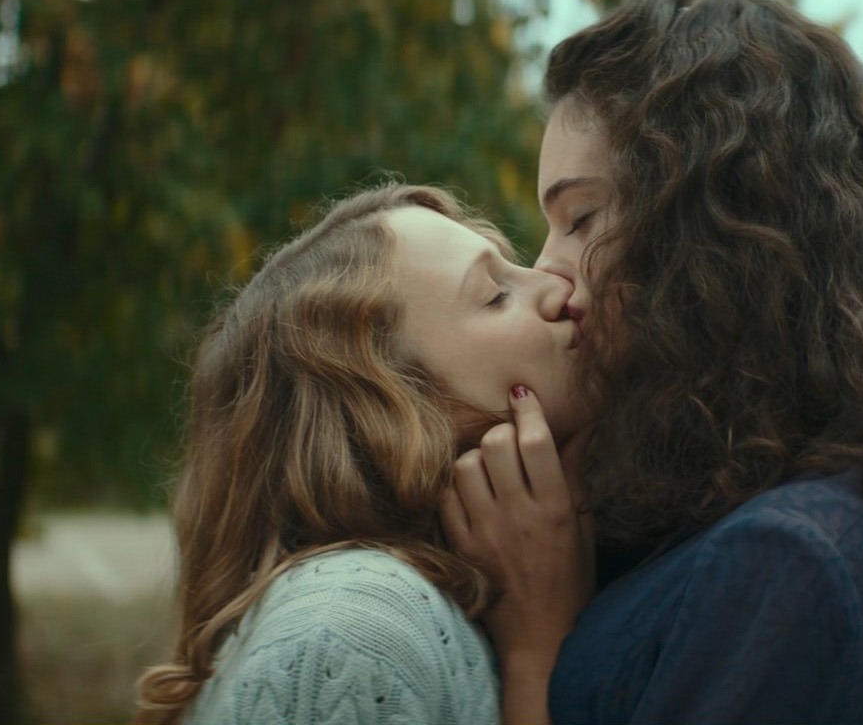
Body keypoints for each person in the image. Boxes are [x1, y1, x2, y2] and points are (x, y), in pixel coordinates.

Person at [445, 0, 863, 724]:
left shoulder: (789, 560)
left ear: (712, 229)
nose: (546, 272)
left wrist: (536, 646)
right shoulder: (750, 493)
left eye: (581, 218)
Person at [134, 183, 590, 725]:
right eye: (495, 295)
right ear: (394, 412)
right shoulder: (350, 634)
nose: (556, 286)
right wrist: (538, 654)